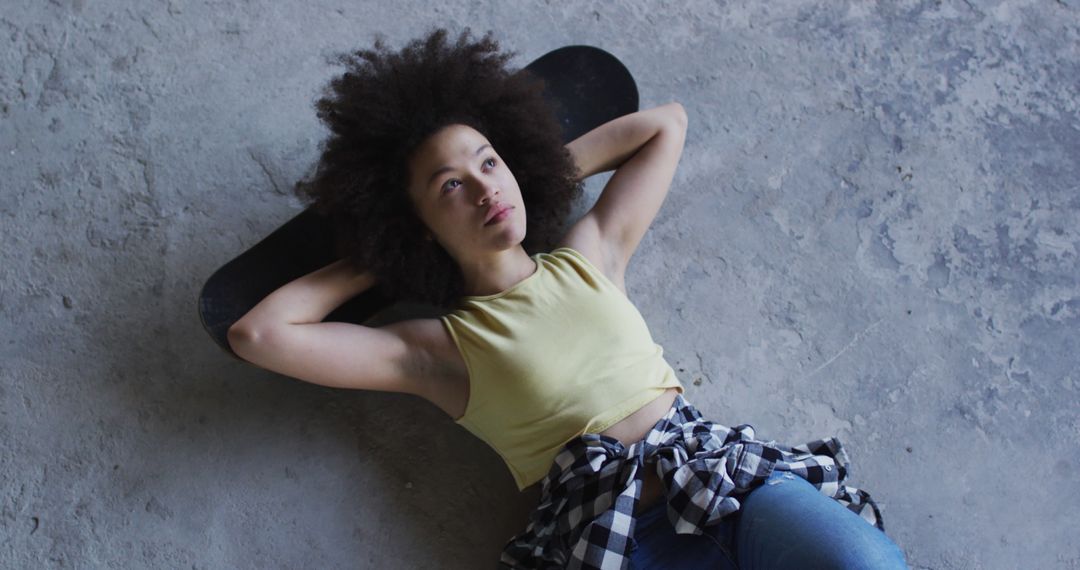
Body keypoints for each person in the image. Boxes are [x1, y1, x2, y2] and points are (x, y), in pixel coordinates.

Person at [226, 27, 909, 569]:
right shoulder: (434, 351)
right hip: (617, 537)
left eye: (488, 161)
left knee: (864, 561)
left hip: (721, 480)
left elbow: (664, 125)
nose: (485, 186)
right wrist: (382, 255)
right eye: (450, 187)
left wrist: (536, 174)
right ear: (418, 226)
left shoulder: (591, 255)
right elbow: (259, 334)